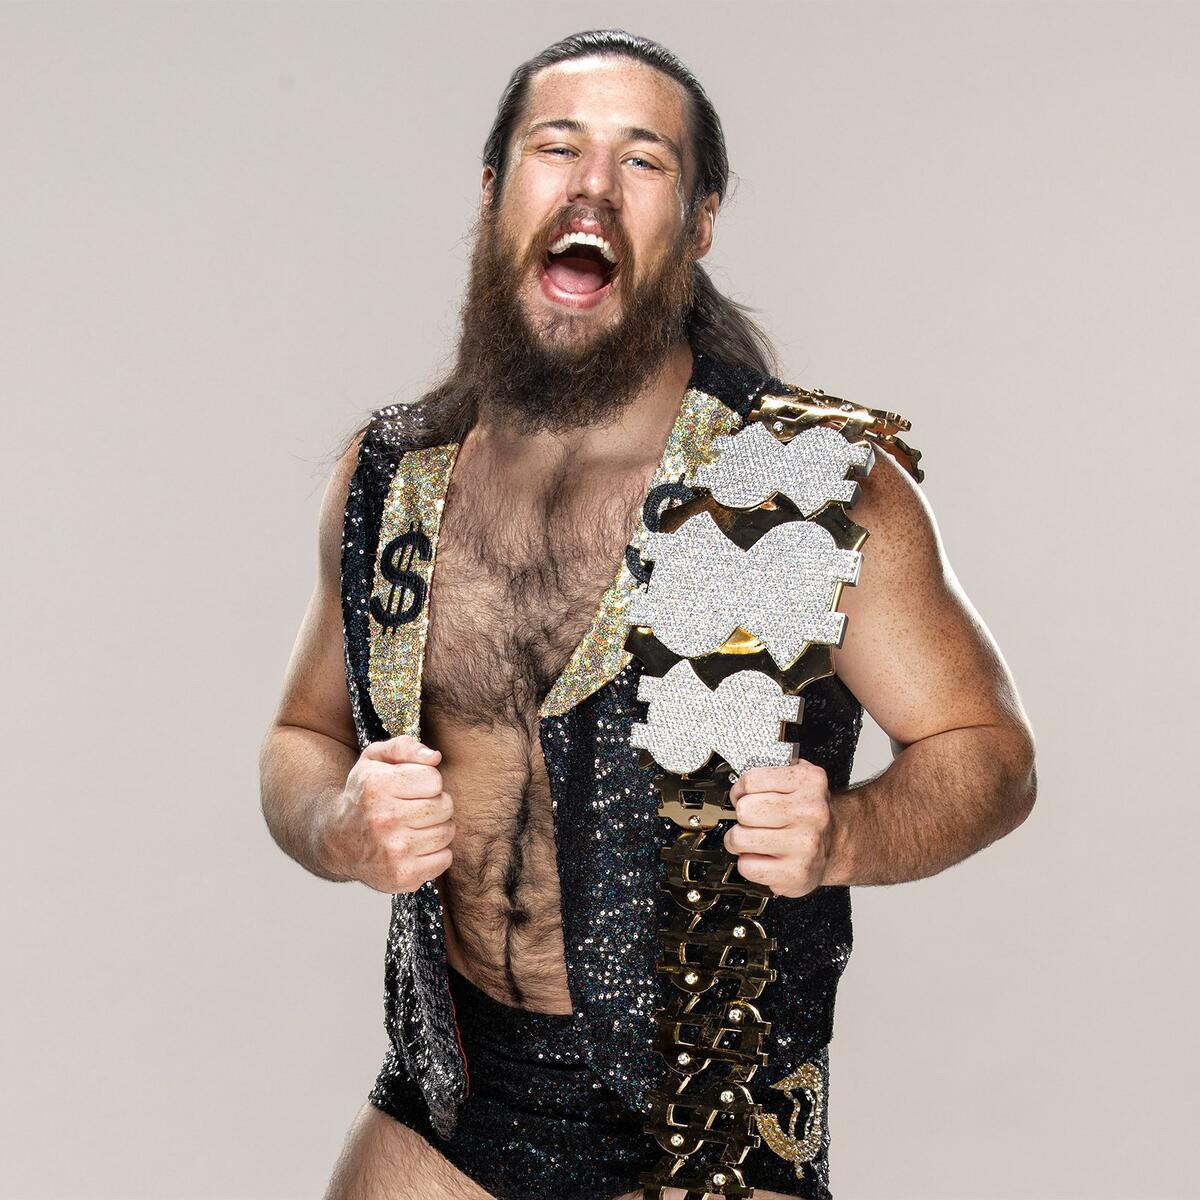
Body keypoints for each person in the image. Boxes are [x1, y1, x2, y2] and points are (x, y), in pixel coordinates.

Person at [258, 28, 1037, 1200]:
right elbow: (300, 737)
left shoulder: (806, 486)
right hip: (452, 1100)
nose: (592, 188)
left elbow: (992, 755)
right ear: (493, 192)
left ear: (700, 222)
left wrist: (850, 836)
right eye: (556, 147)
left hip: (707, 1125)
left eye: (643, 161)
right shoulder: (395, 477)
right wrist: (335, 823)